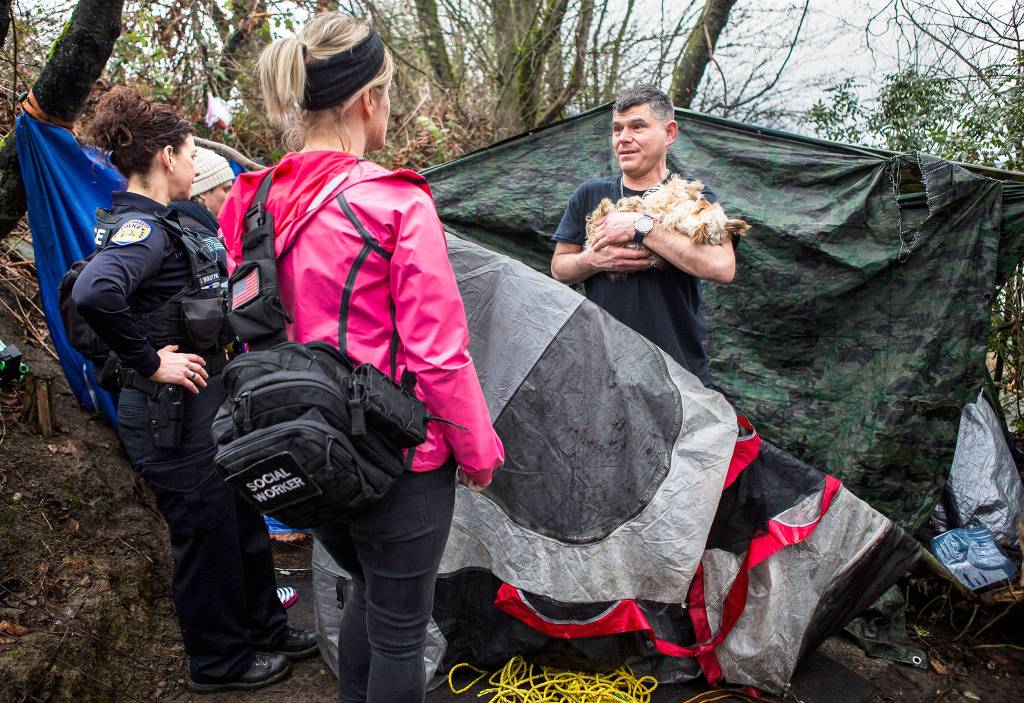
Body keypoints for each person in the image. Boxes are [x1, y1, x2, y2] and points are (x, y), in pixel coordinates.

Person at [217, 13, 504, 703]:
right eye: (389, 93)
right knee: (402, 628)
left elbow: (253, 330)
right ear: (367, 101)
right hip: (398, 461)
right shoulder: (393, 203)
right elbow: (438, 356)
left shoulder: (249, 200)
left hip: (299, 452)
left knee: (370, 598)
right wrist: (478, 450)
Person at [71, 86, 317, 693]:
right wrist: (149, 361)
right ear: (166, 158)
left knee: (239, 518)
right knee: (205, 537)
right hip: (168, 414)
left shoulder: (167, 222)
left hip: (206, 401)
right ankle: (220, 662)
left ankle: (265, 628)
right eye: (187, 152)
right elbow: (93, 294)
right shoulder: (141, 230)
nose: (193, 165)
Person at [550, 85, 737, 386]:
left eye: (637, 126)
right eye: (617, 129)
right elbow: (559, 268)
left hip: (678, 374)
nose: (624, 138)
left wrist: (642, 226)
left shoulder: (693, 198)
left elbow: (723, 267)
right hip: (606, 371)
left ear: (669, 133)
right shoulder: (590, 195)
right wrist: (593, 260)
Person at [171, 146, 235, 233]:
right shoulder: (192, 229)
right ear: (203, 192)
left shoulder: (198, 222)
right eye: (226, 190)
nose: (232, 196)